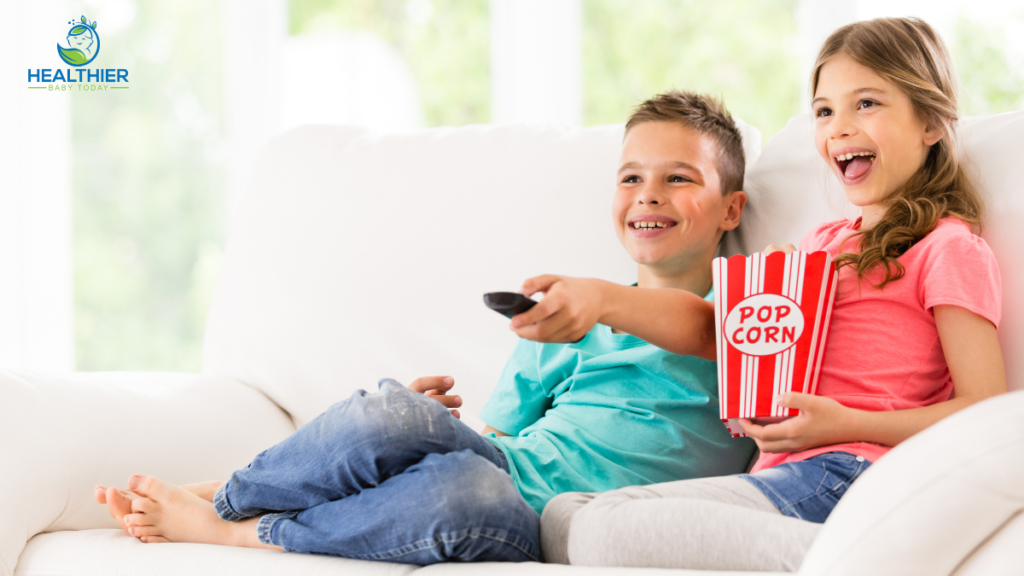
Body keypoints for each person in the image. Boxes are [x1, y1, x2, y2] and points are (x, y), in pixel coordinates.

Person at [93, 90, 757, 564]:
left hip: (541, 521)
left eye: (679, 178)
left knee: (457, 490)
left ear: (732, 209)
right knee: (395, 413)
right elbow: (501, 439)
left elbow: (700, 328)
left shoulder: (747, 318)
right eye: (632, 176)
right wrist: (427, 429)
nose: (649, 193)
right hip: (508, 467)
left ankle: (238, 530)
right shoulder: (566, 321)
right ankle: (229, 496)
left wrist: (602, 301)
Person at [537, 17, 1007, 572]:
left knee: (599, 529)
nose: (840, 127)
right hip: (782, 476)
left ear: (930, 121)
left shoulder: (946, 247)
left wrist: (848, 422)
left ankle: (869, 563)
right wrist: (603, 299)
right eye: (825, 110)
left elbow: (987, 412)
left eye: (867, 104)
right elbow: (716, 330)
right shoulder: (819, 246)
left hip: (849, 475)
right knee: (563, 516)